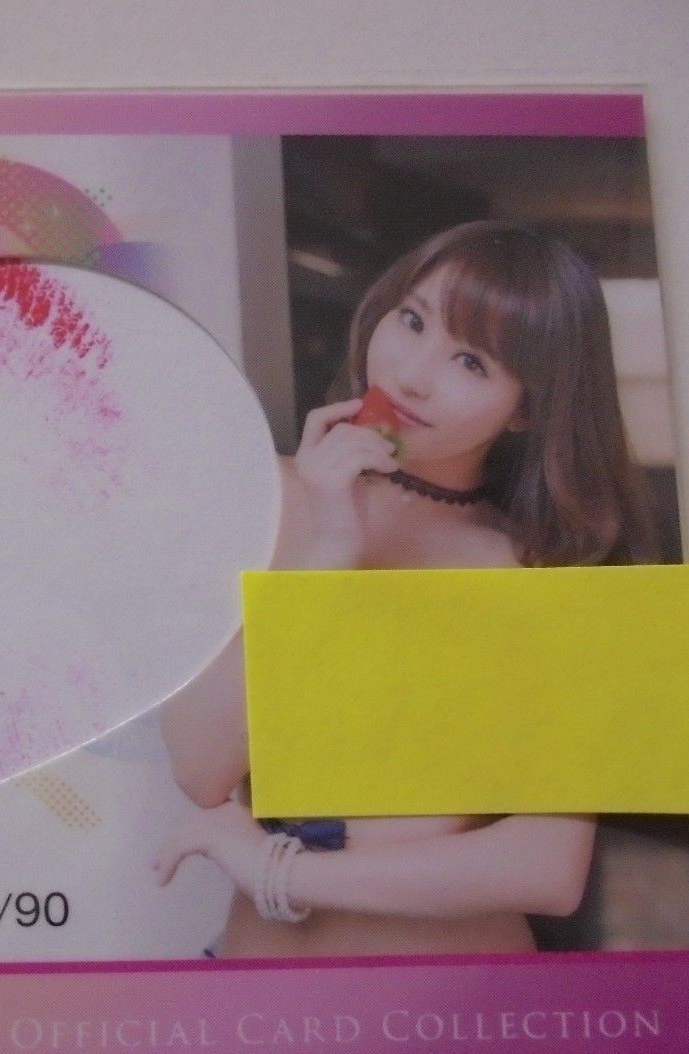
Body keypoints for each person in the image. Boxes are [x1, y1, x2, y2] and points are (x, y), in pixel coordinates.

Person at [154, 220, 656, 957]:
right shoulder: (262, 502)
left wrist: (274, 870)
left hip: (465, 1002)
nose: (412, 374)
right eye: (413, 321)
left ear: (525, 408)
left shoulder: (544, 569)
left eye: (471, 362)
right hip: (257, 995)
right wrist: (325, 554)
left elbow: (545, 869)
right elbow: (200, 769)